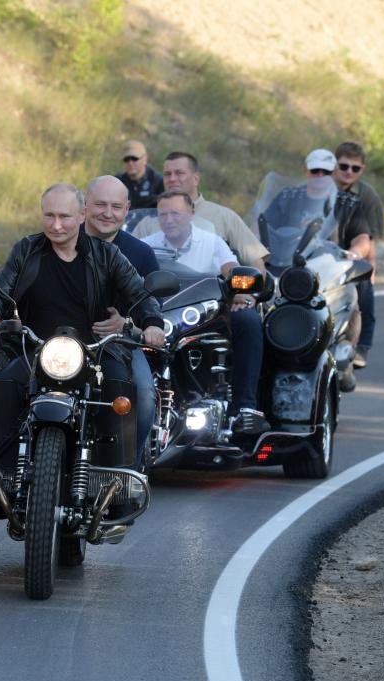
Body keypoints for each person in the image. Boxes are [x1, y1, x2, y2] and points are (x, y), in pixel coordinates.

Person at [0, 183, 166, 471]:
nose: (56, 225)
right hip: (36, 349)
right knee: (3, 383)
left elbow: (139, 294)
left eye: (65, 216)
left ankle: (117, 478)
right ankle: (1, 476)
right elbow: (0, 290)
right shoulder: (27, 249)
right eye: (49, 216)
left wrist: (152, 324)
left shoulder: (108, 255)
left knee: (120, 389)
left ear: (81, 216)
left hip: (95, 353)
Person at [142, 190, 269, 434]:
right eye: (163, 214)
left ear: (191, 213)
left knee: (249, 321)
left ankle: (244, 407)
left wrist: (238, 290)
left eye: (175, 213)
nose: (169, 219)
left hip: (205, 316)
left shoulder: (211, 241)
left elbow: (230, 268)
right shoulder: (148, 246)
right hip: (161, 315)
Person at [81, 175, 160, 466]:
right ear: (85, 206)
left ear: (127, 209)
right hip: (61, 341)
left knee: (143, 395)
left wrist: (127, 324)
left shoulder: (141, 253)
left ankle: (128, 474)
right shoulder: (59, 239)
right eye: (100, 204)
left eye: (116, 206)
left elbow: (153, 311)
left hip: (121, 345)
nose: (107, 213)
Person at [133, 151, 270, 272]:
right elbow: (127, 262)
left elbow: (256, 263)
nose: (172, 179)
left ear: (196, 178)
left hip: (210, 297)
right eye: (167, 174)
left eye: (179, 173)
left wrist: (248, 297)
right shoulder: (148, 221)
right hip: (158, 297)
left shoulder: (224, 216)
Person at [332, 141, 383, 369]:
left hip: (350, 255)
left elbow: (367, 238)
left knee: (364, 286)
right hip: (316, 254)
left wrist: (370, 268)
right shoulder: (318, 187)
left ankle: (362, 345)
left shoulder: (367, 196)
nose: (348, 172)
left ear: (362, 170)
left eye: (355, 168)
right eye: (344, 166)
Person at [115, 140, 164, 209]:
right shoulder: (117, 182)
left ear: (145, 159)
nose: (130, 163)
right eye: (126, 159)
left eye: (134, 158)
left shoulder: (159, 181)